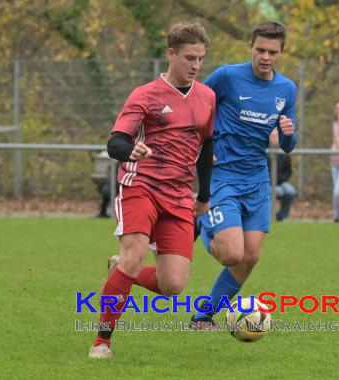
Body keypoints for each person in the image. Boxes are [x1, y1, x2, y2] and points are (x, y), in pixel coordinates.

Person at [88, 22, 215, 358]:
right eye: (189, 57)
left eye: (201, 59)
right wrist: (131, 150)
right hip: (140, 184)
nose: (196, 65)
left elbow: (207, 147)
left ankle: (122, 269)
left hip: (179, 195)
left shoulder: (207, 97)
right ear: (171, 54)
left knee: (173, 284)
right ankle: (102, 341)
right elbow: (116, 141)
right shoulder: (146, 95)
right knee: (134, 258)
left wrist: (203, 196)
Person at [191, 21, 297, 327]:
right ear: (250, 48)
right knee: (231, 255)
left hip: (257, 180)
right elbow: (196, 106)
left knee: (250, 257)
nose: (265, 56)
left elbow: (288, 145)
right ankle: (200, 218)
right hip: (223, 175)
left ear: (281, 53)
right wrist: (199, 145)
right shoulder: (227, 76)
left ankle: (203, 314)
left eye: (272, 52)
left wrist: (289, 134)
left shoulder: (286, 89)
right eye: (260, 49)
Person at [268, 129, 296, 221]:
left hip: (280, 182)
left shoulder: (283, 153)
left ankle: (282, 216)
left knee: (290, 191)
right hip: (267, 183)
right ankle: (269, 216)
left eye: (276, 135)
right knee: (276, 191)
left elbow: (288, 171)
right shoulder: (264, 152)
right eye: (272, 135)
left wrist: (280, 180)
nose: (274, 137)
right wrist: (272, 183)